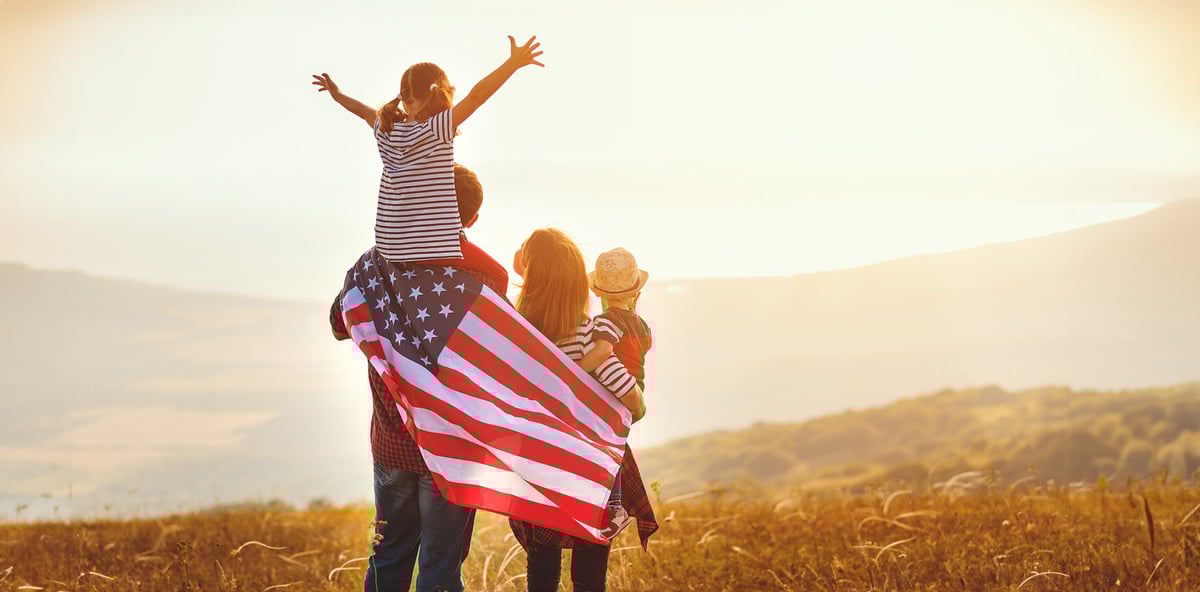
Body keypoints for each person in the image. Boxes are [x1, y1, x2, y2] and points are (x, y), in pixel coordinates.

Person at [329, 164, 508, 592]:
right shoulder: (489, 276)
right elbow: (498, 362)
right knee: (441, 568)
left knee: (388, 556)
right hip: (454, 446)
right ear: (472, 218)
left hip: (392, 440)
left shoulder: (375, 262)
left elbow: (339, 322)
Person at [508, 228, 657, 592]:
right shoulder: (587, 335)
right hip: (590, 468)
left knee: (542, 568)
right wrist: (634, 406)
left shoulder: (514, 334)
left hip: (539, 463)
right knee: (590, 571)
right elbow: (629, 397)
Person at [312, 35, 543, 262]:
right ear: (437, 91)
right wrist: (512, 64)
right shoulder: (436, 128)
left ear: (403, 98)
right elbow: (477, 97)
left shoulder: (387, 128)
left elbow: (362, 110)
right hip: (428, 249)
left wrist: (337, 94)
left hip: (389, 245)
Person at [577, 247, 653, 536]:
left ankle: (615, 507)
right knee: (617, 446)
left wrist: (575, 372)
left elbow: (605, 349)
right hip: (636, 390)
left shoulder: (605, 323)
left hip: (614, 394)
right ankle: (615, 505)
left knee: (609, 450)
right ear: (636, 293)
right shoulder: (642, 325)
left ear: (598, 293)